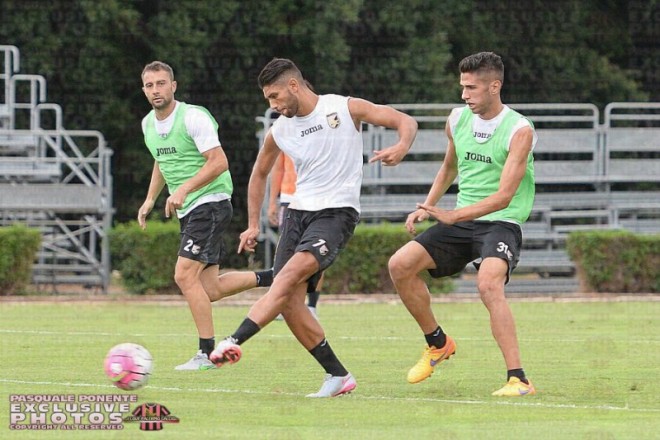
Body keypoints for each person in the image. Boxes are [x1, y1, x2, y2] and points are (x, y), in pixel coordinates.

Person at [210, 57, 418, 397]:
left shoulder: (343, 108)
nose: (273, 105)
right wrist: (252, 224)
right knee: (289, 301)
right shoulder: (280, 130)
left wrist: (402, 145)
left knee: (287, 277)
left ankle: (233, 340)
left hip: (336, 214)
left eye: (275, 96)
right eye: (268, 99)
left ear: (294, 86)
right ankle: (337, 375)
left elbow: (404, 121)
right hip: (297, 214)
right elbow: (259, 173)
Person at [388, 52, 536, 397]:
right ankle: (437, 343)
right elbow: (449, 167)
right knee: (399, 265)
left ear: (494, 86)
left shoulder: (519, 130)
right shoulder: (456, 119)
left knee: (488, 285)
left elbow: (504, 196)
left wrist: (454, 215)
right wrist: (429, 206)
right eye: (463, 87)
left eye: (471, 88)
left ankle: (519, 379)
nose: (464, 94)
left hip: (501, 221)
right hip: (461, 219)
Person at [138, 61, 273, 371]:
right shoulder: (147, 125)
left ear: (173, 86)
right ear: (143, 90)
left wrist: (184, 189)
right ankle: (277, 278)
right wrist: (149, 199)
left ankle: (205, 354)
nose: (156, 90)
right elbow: (161, 161)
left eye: (161, 83)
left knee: (184, 275)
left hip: (210, 202)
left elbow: (219, 162)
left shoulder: (193, 117)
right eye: (149, 85)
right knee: (210, 289)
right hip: (190, 209)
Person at [268, 151, 322, 319]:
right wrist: (272, 202)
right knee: (286, 252)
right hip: (289, 198)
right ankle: (283, 302)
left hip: (316, 198)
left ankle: (311, 305)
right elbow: (278, 168)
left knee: (316, 252)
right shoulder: (284, 135)